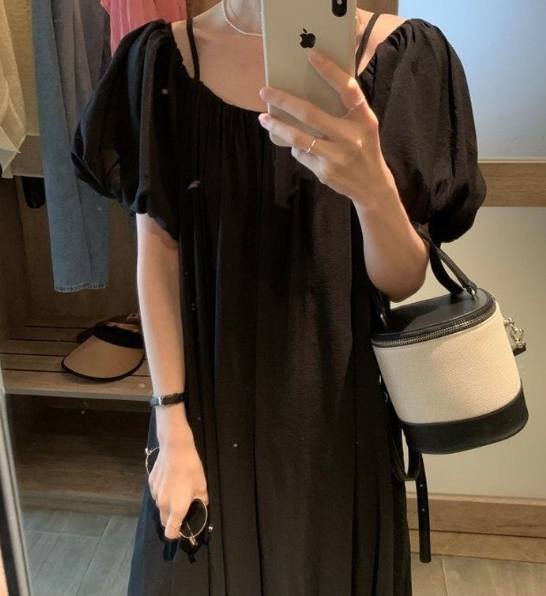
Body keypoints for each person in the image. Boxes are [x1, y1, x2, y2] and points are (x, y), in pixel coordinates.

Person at [72, 1, 487, 594]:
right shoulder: (162, 60)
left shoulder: (407, 57)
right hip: (204, 410)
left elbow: (401, 280)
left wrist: (373, 190)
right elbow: (158, 257)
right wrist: (170, 426)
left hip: (340, 414)